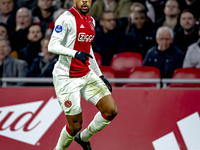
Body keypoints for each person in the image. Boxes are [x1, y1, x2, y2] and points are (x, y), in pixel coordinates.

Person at [48, 0, 118, 149]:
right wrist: (74, 53)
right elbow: (52, 45)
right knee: (75, 125)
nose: (85, 1)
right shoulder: (65, 18)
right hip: (66, 77)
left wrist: (99, 75)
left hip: (86, 73)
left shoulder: (91, 20)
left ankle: (84, 137)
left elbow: (87, 49)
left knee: (111, 110)